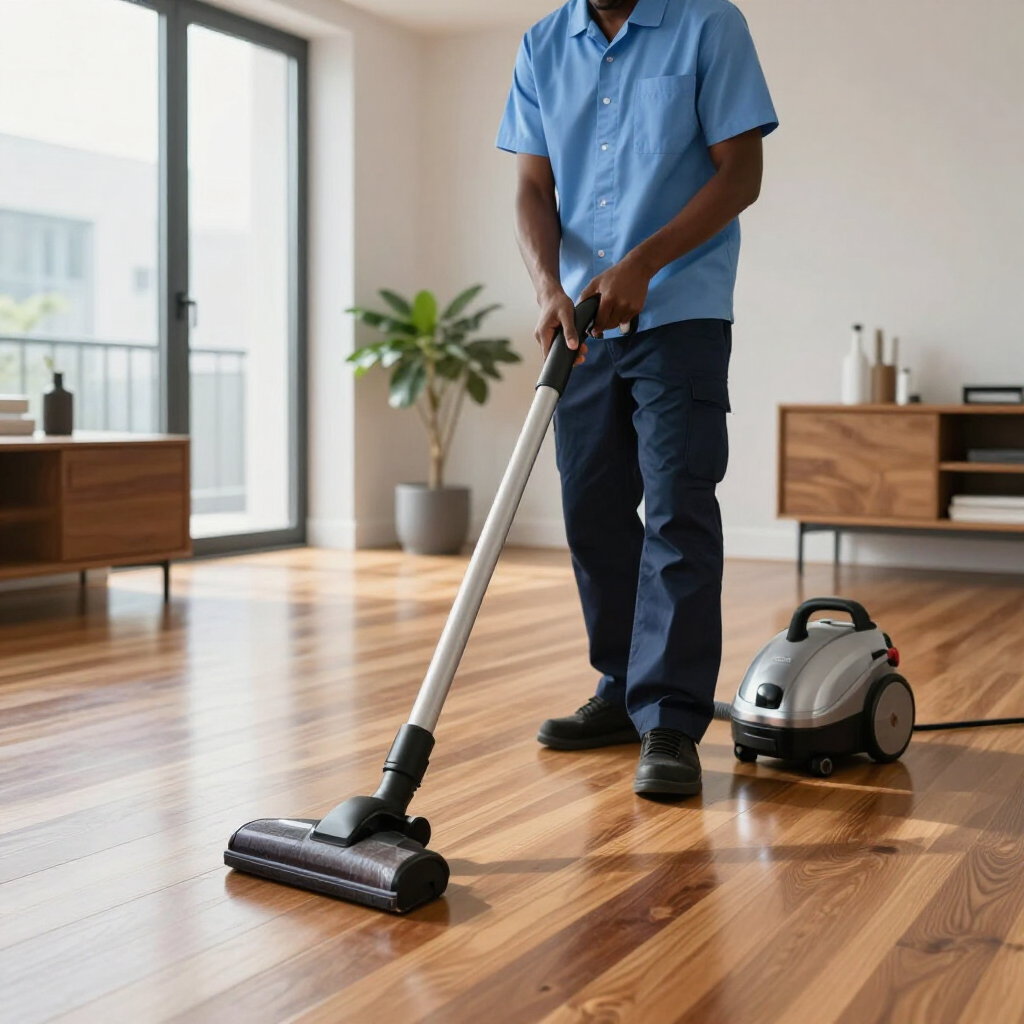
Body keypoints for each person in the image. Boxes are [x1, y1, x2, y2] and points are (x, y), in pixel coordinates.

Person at [496, 0, 778, 797]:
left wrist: (645, 263)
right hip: (582, 322)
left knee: (678, 509)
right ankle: (621, 691)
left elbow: (741, 173)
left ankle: (669, 721)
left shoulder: (707, 24)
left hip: (680, 312)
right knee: (590, 510)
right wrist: (549, 288)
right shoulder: (542, 46)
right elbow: (530, 185)